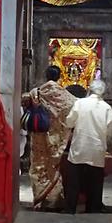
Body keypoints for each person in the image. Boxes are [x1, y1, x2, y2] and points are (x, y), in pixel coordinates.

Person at [23, 65, 76, 210]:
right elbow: (75, 106)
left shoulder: (36, 92)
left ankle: (39, 200)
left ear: (46, 76)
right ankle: (54, 201)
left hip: (39, 135)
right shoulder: (65, 96)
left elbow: (24, 100)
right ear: (59, 76)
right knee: (53, 166)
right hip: (56, 137)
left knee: (38, 166)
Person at [63, 79, 112, 213]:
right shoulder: (107, 107)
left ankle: (70, 208)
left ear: (89, 89)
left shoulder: (80, 103)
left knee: (73, 181)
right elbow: (109, 131)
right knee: (95, 182)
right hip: (97, 149)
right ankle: (93, 208)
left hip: (79, 146)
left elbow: (69, 122)